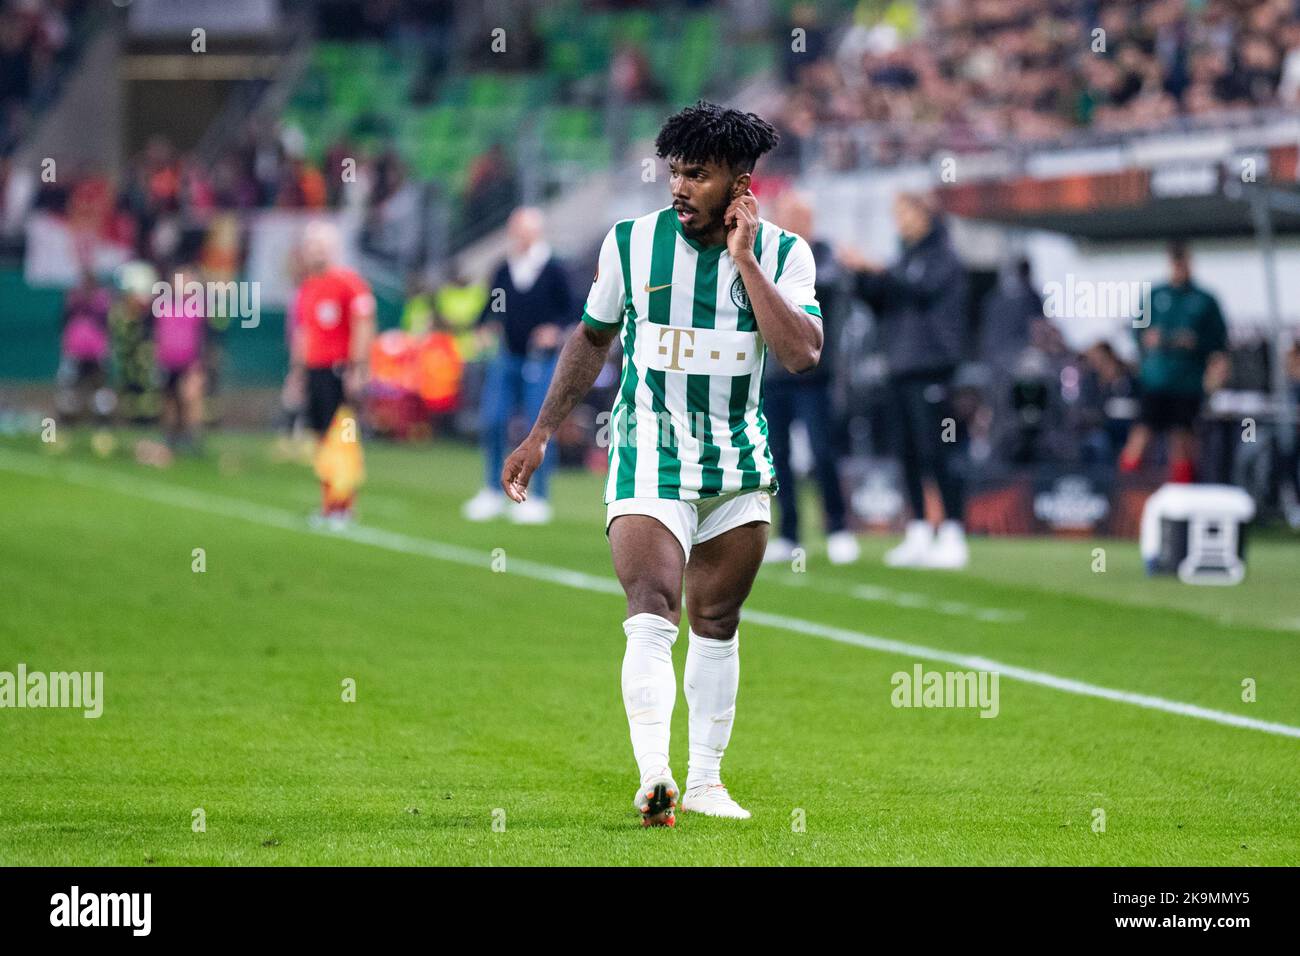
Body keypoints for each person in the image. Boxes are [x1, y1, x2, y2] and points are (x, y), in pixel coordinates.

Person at [500, 102, 823, 826]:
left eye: (698, 175)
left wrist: (743, 261)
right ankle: (656, 778)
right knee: (652, 605)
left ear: (741, 186)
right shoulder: (629, 244)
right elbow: (590, 338)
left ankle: (707, 782)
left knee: (718, 617)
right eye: (675, 172)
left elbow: (801, 354)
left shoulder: (785, 255)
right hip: (649, 444)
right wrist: (541, 432)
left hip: (738, 454)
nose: (679, 187)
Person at [838, 192, 970, 569]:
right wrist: (862, 274)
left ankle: (953, 532)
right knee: (908, 452)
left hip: (934, 370)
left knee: (939, 450)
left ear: (925, 214)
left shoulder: (944, 258)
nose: (899, 221)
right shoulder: (906, 259)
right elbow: (881, 299)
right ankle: (918, 531)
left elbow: (918, 291)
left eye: (905, 212)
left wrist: (878, 269)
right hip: (900, 369)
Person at [761, 189, 858, 565]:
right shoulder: (766, 256)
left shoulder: (824, 256)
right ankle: (789, 532)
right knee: (777, 455)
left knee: (823, 452)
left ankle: (837, 528)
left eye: (796, 216)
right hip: (774, 373)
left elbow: (828, 287)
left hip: (813, 373)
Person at [462, 207, 574, 525]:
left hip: (540, 361)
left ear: (537, 232)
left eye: (526, 230)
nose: (520, 237)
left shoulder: (553, 269)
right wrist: (482, 328)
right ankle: (493, 490)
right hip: (507, 356)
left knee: (536, 428)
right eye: (516, 230)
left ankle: (535, 495)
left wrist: (554, 330)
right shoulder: (504, 268)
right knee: (493, 419)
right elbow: (490, 306)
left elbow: (572, 309)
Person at [289, 220, 376, 527]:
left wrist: (358, 367)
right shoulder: (308, 287)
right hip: (315, 371)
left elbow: (363, 323)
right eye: (312, 244)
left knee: (342, 438)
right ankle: (329, 503)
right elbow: (304, 334)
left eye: (322, 244)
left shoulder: (348, 282)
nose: (316, 251)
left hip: (338, 370)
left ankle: (343, 506)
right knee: (323, 439)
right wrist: (297, 374)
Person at [1119, 242, 1229, 483]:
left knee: (1182, 439)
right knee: (1141, 434)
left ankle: (1183, 493)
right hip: (1155, 381)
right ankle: (1126, 489)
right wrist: (1148, 338)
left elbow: (1219, 339)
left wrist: (1194, 342)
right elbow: (1136, 330)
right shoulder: (1156, 295)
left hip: (1187, 383)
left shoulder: (1204, 300)